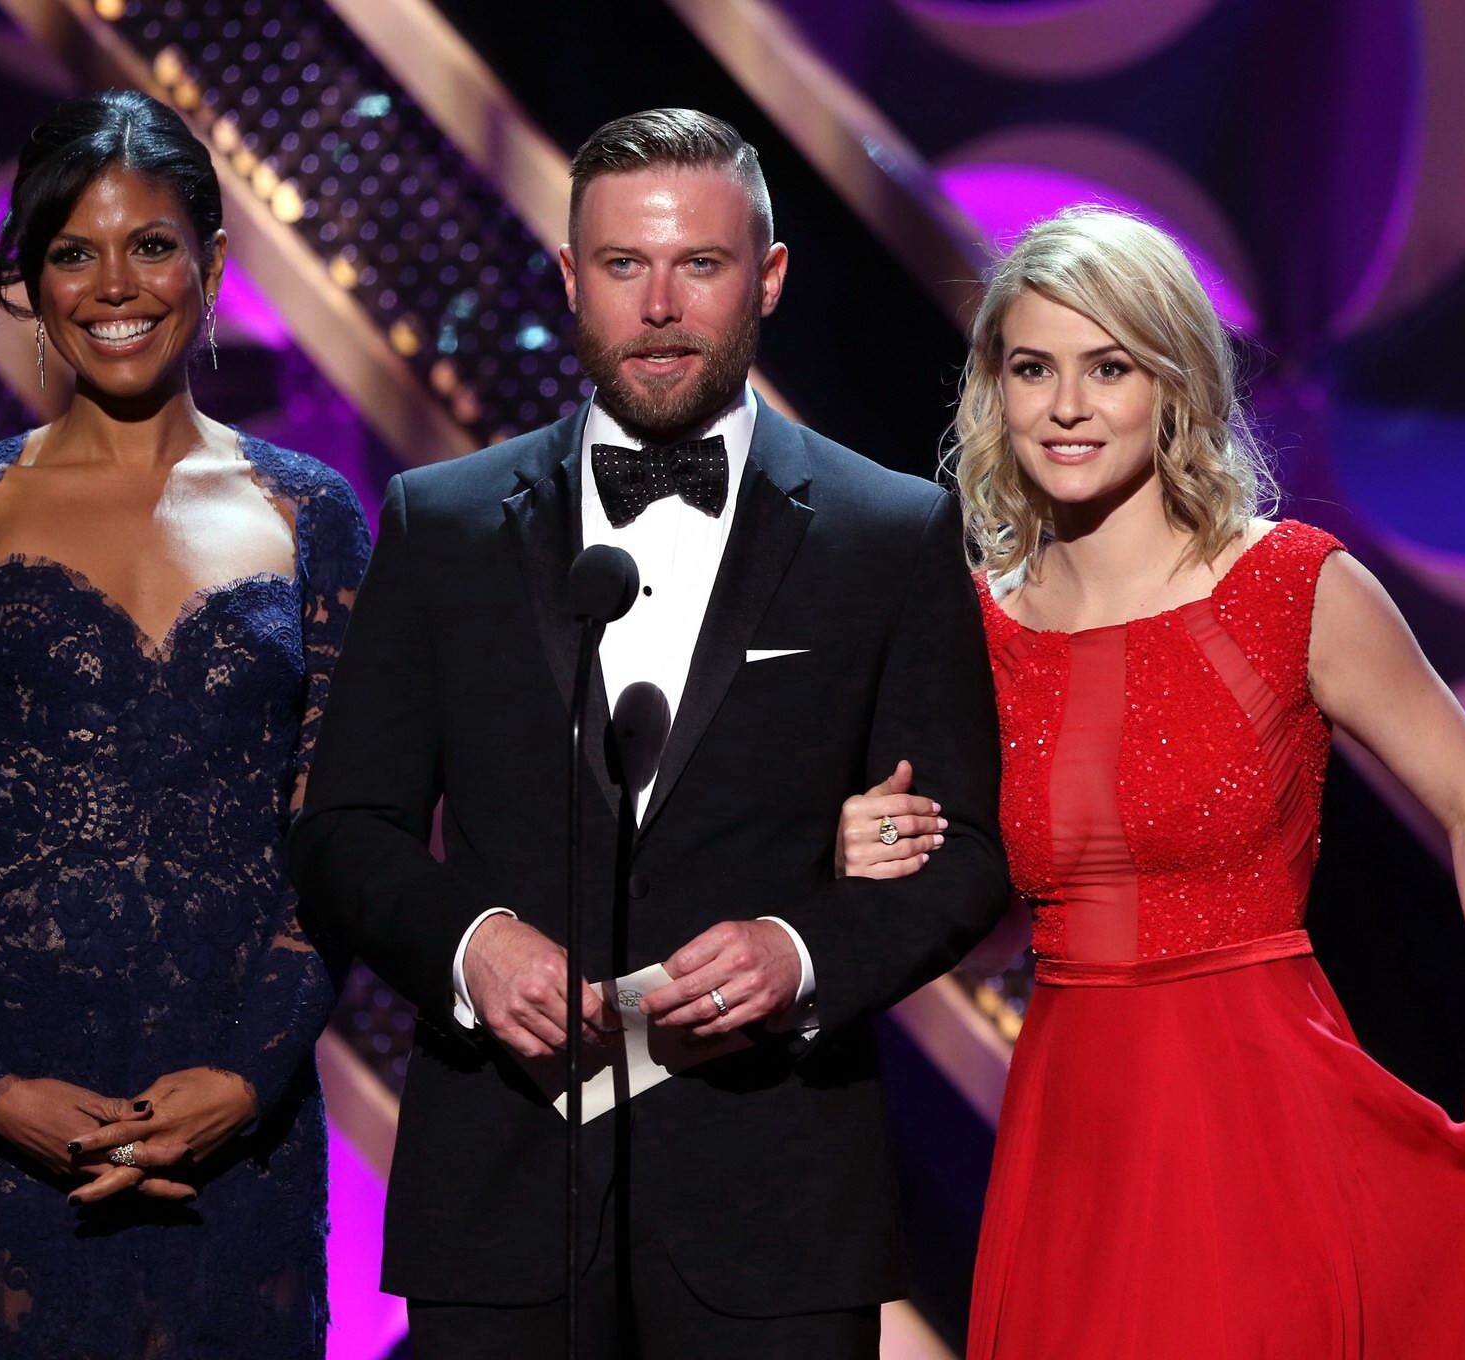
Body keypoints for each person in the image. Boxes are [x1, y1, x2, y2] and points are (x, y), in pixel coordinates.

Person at [286, 108, 1009, 1358]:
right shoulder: (440, 523)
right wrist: (473, 943)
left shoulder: (888, 532)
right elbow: (347, 830)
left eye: (702, 264)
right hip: (501, 1190)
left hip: (774, 1196)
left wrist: (799, 951)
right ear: (572, 279)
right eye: (623, 266)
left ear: (768, 278)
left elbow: (967, 848)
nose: (661, 303)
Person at [836, 205, 1465, 1358]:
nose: (1068, 405)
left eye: (1108, 367)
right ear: (995, 389)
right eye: (1033, 367)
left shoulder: (1289, 586)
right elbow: (999, 928)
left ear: (1173, 381)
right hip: (1070, 1141)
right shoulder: (970, 629)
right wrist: (885, 862)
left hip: (1264, 1120)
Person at [0, 90, 367, 1358]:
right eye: (72, 251)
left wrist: (248, 1077)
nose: (113, 283)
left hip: (238, 1131)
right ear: (26, 279)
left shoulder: (317, 516)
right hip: (11, 1128)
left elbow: (344, 833)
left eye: (149, 244)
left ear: (211, 263)